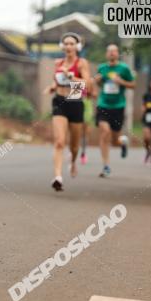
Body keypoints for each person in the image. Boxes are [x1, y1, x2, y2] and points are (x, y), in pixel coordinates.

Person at [45, 32, 92, 191]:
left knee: (74, 146)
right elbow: (56, 80)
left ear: (77, 47)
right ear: (62, 46)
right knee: (59, 141)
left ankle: (73, 161)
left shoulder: (81, 63)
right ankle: (58, 177)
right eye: (66, 43)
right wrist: (52, 86)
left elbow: (87, 85)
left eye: (72, 44)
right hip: (60, 102)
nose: (69, 46)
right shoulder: (58, 63)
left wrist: (71, 76)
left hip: (76, 102)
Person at [93, 44, 136, 178]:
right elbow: (99, 84)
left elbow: (133, 85)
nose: (112, 53)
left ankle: (122, 143)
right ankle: (106, 166)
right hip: (103, 104)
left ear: (118, 54)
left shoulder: (124, 68)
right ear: (106, 54)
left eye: (114, 51)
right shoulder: (102, 68)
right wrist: (98, 81)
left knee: (115, 139)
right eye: (109, 51)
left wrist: (121, 81)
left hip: (118, 106)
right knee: (104, 132)